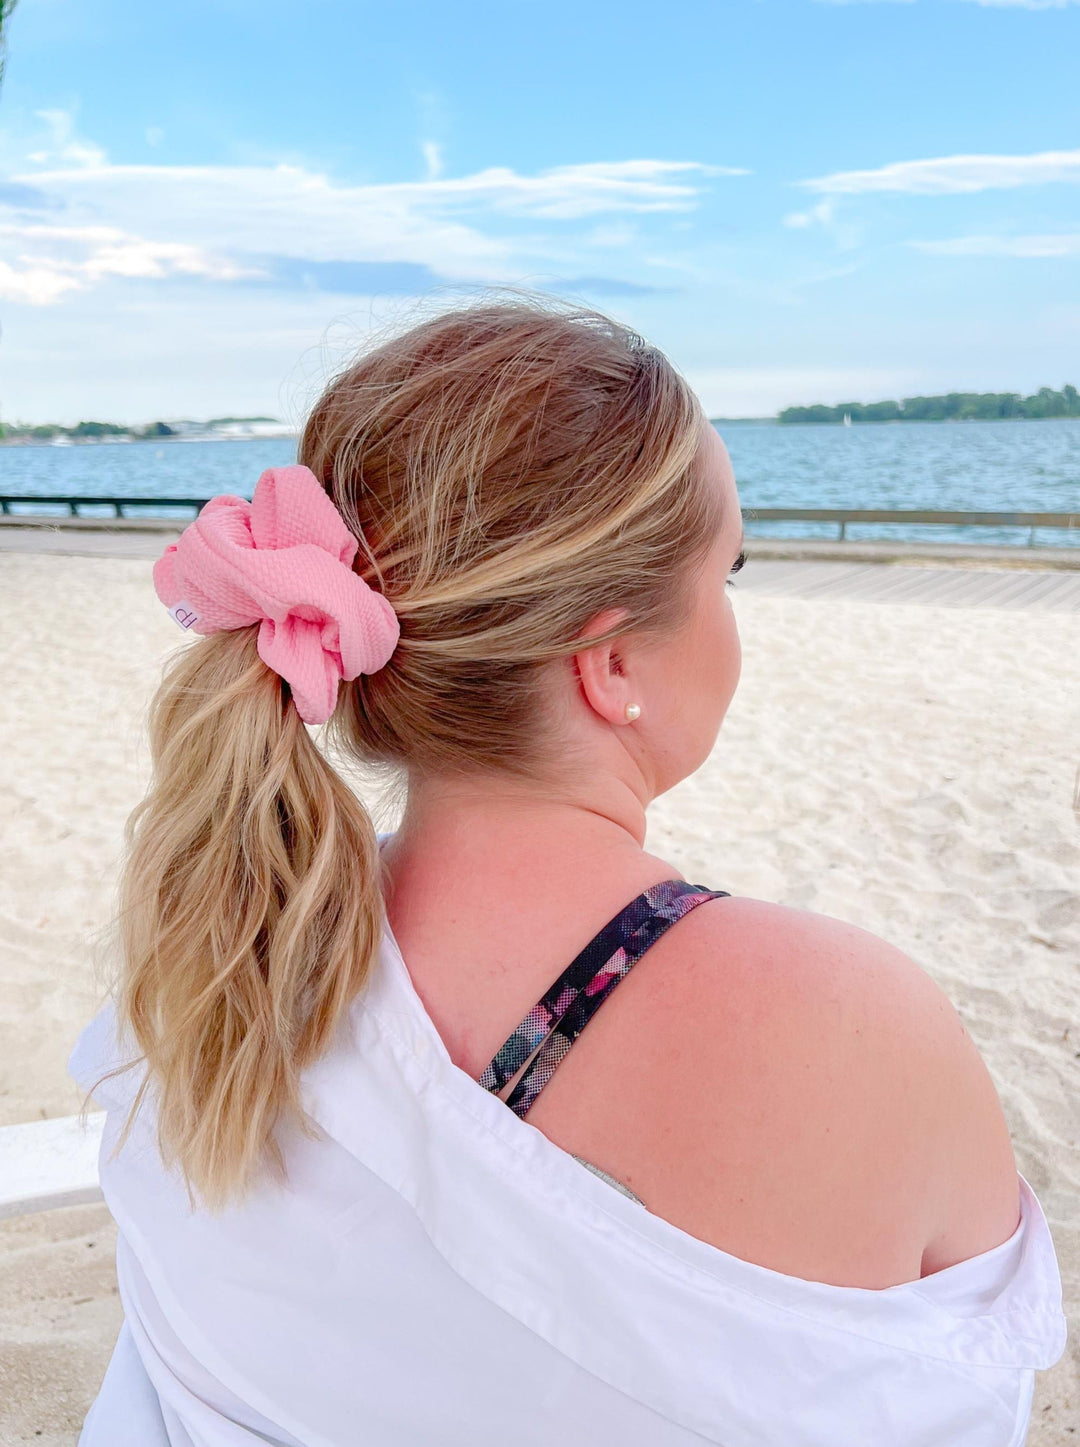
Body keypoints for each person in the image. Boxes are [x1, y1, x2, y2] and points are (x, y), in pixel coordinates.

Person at [71, 298, 1065, 1446]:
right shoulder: (847, 1025)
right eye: (726, 572)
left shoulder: (220, 960)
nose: (732, 617)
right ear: (612, 660)